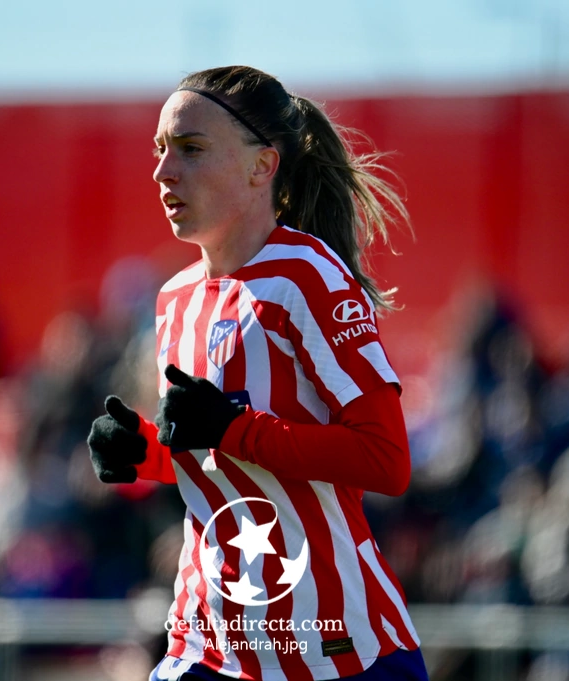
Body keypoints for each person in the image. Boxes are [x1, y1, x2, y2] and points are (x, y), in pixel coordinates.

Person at [88, 66, 428, 681]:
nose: (164, 172)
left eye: (191, 150)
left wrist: (234, 428)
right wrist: (149, 452)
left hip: (338, 653)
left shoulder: (308, 275)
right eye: (161, 150)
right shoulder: (175, 300)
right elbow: (222, 456)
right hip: (208, 643)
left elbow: (386, 459)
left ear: (262, 166)